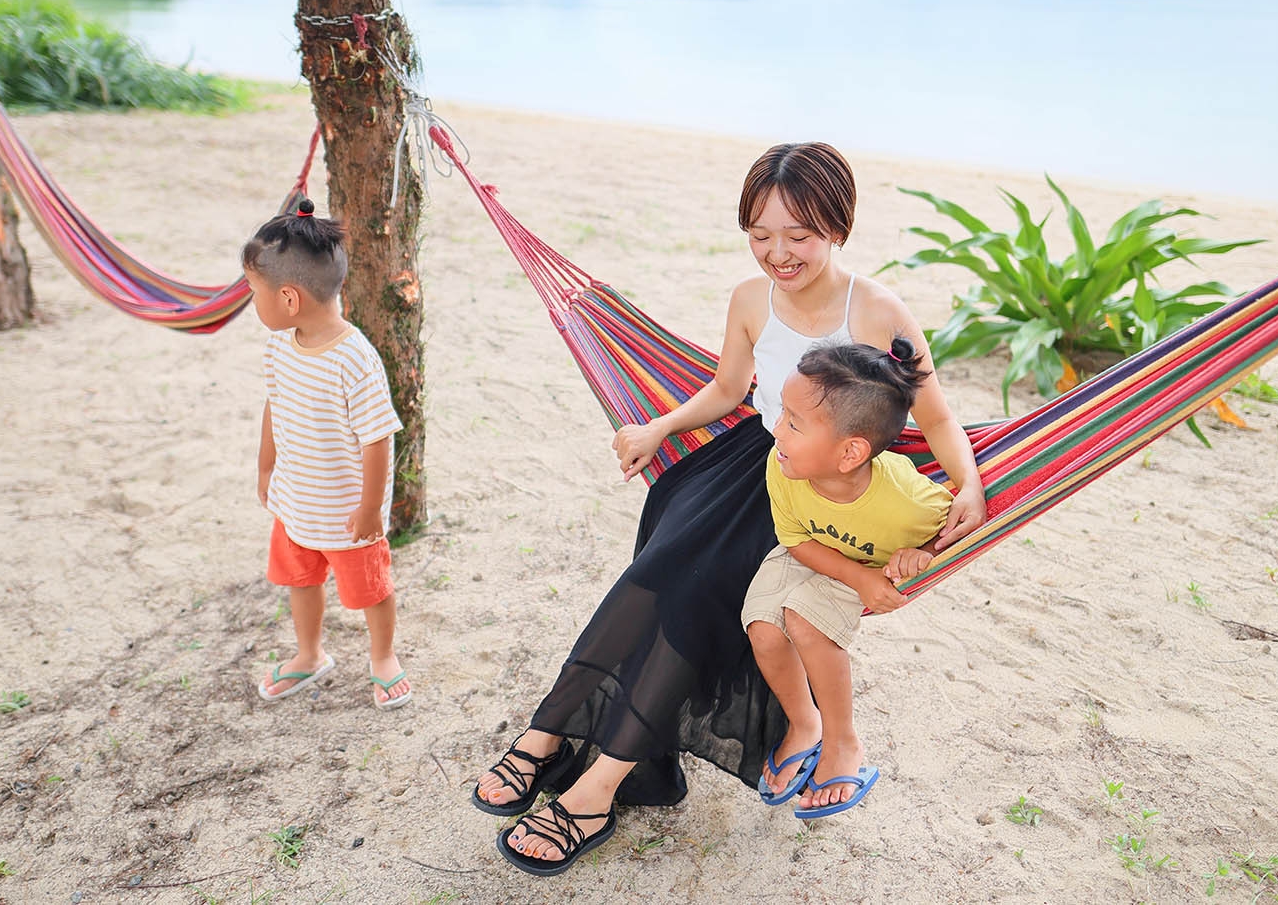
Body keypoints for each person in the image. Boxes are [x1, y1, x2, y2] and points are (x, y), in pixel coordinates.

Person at [472, 142, 987, 876]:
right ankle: (548, 732)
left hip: (818, 493)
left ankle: (596, 787)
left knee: (695, 597)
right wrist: (659, 427)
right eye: (760, 234)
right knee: (651, 577)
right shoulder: (751, 299)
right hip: (748, 462)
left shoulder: (877, 312)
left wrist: (968, 484)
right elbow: (727, 390)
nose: (778, 253)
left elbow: (935, 419)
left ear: (838, 227)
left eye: (798, 235)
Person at [745, 337, 955, 818]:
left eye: (793, 422)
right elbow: (795, 540)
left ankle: (843, 742)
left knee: (805, 621)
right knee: (763, 626)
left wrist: (920, 554)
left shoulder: (908, 500)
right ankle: (805, 724)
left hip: (867, 562)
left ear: (849, 453)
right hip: (811, 552)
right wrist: (857, 579)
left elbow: (952, 529)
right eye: (783, 414)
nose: (776, 429)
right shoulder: (782, 464)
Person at [243, 200, 412, 711]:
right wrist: (266, 466)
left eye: (254, 291)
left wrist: (370, 508)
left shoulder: (354, 359)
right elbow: (275, 405)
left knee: (370, 589)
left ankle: (383, 656)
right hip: (297, 500)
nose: (252, 302)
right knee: (300, 579)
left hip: (346, 514)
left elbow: (377, 438)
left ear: (288, 298)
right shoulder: (280, 347)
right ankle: (309, 653)